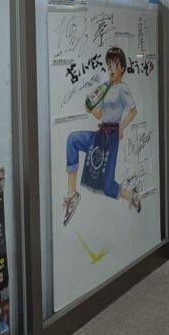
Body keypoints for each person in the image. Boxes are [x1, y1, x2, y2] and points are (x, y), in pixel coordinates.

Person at [62, 46, 141, 226]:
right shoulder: (105, 88)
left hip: (111, 138)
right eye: (109, 65)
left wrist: (121, 127)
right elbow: (99, 115)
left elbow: (133, 111)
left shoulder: (123, 89)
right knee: (73, 139)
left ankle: (131, 196)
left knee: (107, 185)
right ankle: (72, 194)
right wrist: (90, 108)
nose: (111, 69)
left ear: (122, 68)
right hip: (100, 133)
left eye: (115, 65)